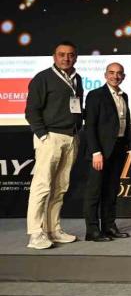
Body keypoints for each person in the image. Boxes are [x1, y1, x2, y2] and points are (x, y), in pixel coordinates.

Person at [24, 40, 84, 250]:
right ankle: (35, 233)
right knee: (42, 186)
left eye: (70, 54)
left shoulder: (77, 79)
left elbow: (77, 107)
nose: (66, 58)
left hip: (71, 137)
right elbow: (31, 111)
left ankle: (53, 229)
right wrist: (43, 135)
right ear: (54, 56)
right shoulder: (43, 78)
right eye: (62, 54)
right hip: (51, 137)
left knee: (60, 187)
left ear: (75, 57)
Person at [83, 63, 131, 242]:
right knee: (94, 191)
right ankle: (92, 230)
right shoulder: (95, 95)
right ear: (105, 75)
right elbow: (90, 126)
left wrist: (125, 146)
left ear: (123, 77)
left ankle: (109, 226)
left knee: (111, 190)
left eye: (119, 73)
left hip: (118, 149)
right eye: (111, 73)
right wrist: (96, 152)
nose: (115, 76)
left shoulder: (124, 95)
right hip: (100, 151)